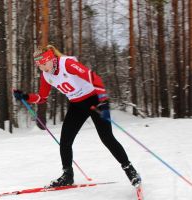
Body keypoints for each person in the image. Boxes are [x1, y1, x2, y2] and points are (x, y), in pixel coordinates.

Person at [13, 45, 141, 188]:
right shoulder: (46, 75)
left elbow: (94, 78)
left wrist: (103, 101)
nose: (42, 69)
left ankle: (130, 170)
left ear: (51, 58)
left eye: (44, 64)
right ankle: (67, 175)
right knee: (65, 141)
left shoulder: (67, 64)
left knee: (107, 138)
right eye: (39, 66)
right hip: (77, 106)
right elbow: (42, 97)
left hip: (94, 101)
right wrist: (25, 96)